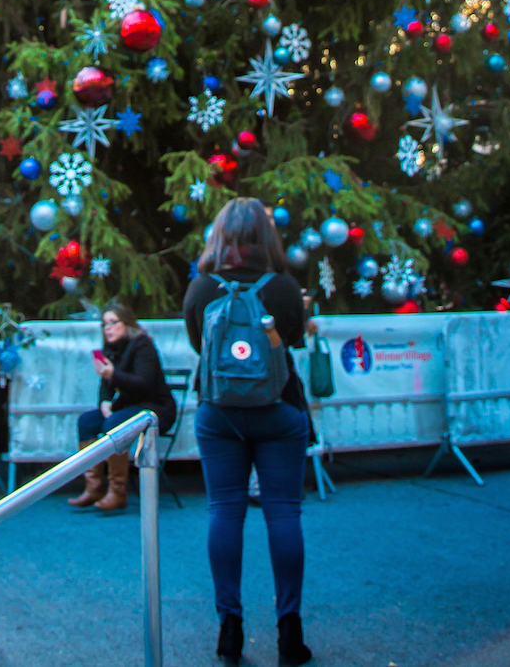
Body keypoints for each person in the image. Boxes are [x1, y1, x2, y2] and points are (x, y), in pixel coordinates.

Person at [183, 198, 311, 667]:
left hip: (220, 416)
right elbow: (294, 340)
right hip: (279, 411)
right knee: (283, 515)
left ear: (219, 238)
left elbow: (200, 344)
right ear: (266, 238)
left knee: (224, 511)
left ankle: (230, 630)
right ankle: (289, 634)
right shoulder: (283, 287)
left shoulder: (201, 288)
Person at [69, 302, 177, 513]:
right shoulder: (110, 350)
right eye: (104, 324)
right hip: (129, 407)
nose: (107, 328)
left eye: (113, 322)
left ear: (126, 323)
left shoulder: (143, 345)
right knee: (87, 421)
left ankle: (118, 492)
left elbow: (144, 383)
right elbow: (106, 384)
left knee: (114, 423)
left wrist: (112, 375)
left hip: (154, 408)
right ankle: (94, 487)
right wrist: (105, 401)